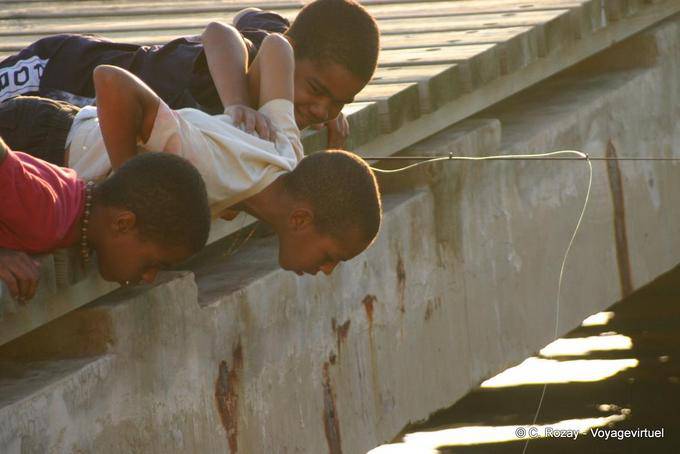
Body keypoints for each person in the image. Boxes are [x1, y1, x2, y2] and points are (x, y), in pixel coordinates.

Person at [0, 0, 380, 148]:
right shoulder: (227, 72)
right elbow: (221, 32)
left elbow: (252, 17)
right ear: (286, 53)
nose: (321, 110)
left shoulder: (276, 39)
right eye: (316, 90)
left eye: (338, 102)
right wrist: (237, 105)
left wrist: (326, 103)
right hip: (56, 69)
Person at [0, 136, 212, 302]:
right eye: (152, 264)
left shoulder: (71, 200)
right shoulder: (45, 217)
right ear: (122, 224)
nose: (148, 277)